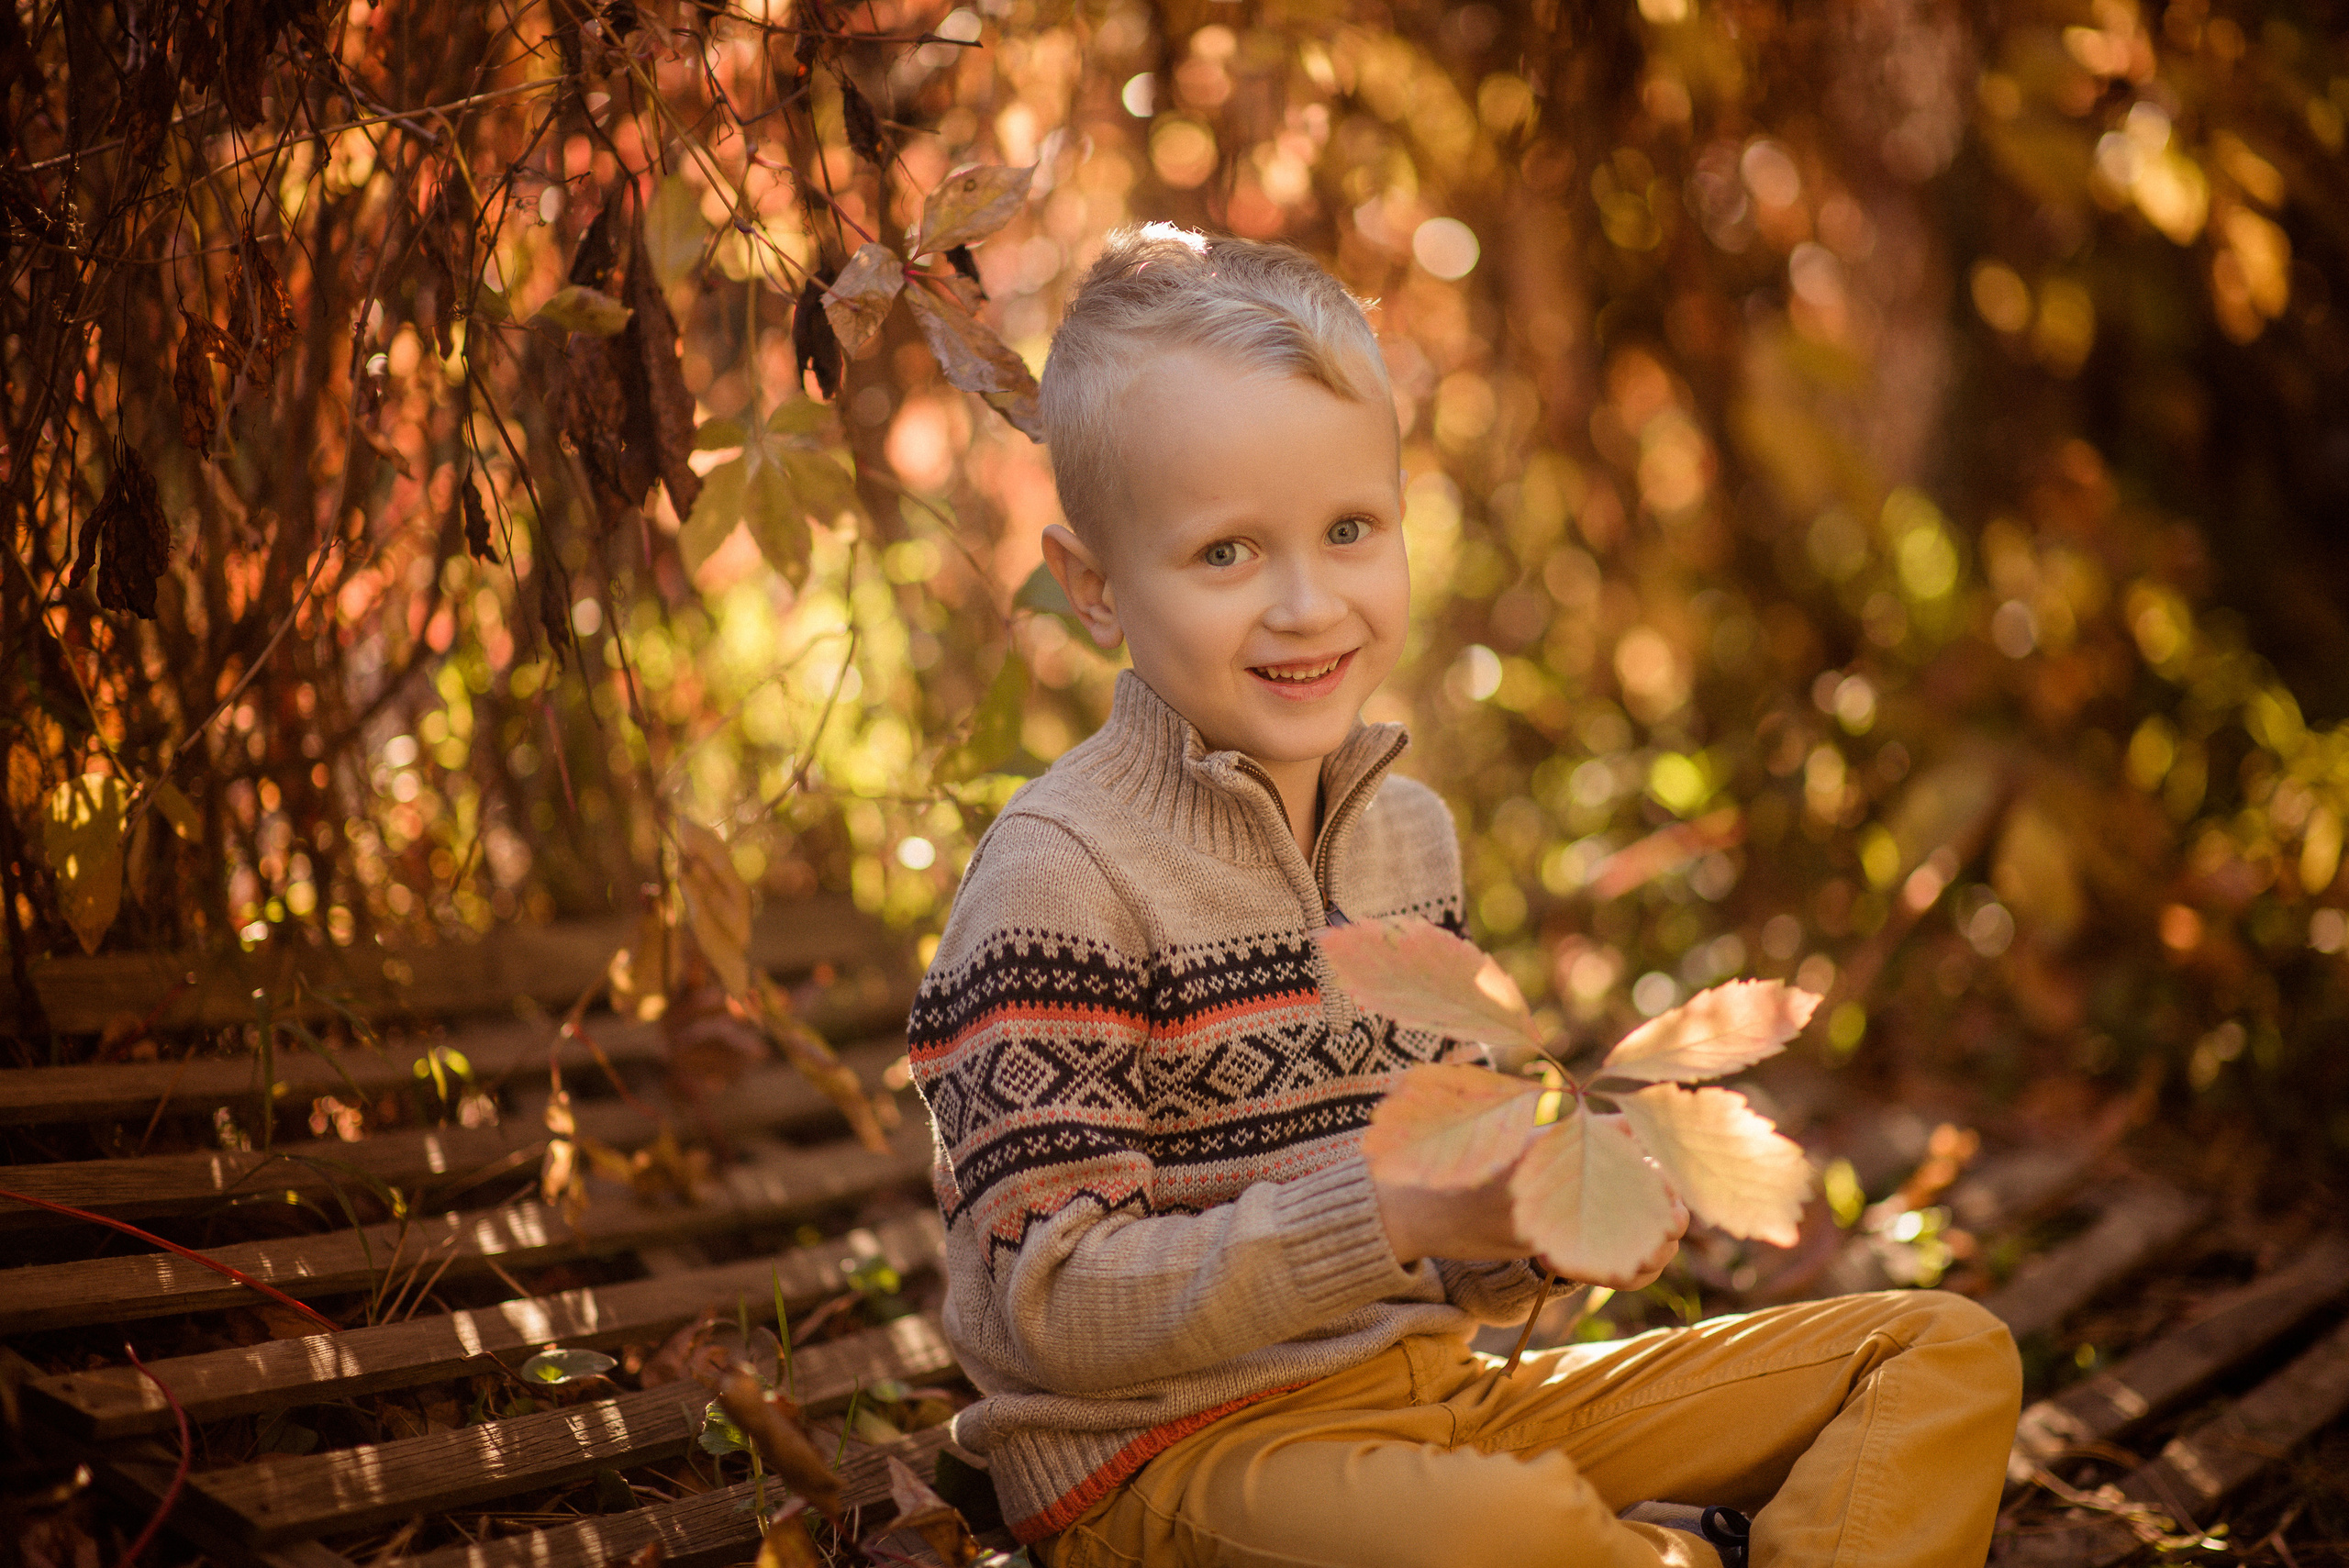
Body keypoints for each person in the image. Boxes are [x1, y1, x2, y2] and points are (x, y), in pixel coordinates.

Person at [905, 224, 2021, 1568]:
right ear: (1095, 587)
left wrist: (1548, 1226)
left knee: (1934, 1350)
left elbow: (1459, 1252)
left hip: (1435, 1408)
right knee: (1519, 1526)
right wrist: (1391, 1213)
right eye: (1225, 554)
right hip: (1168, 1461)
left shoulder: (1407, 840)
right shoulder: (1059, 875)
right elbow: (1055, 1310)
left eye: (1350, 529)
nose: (1310, 603)